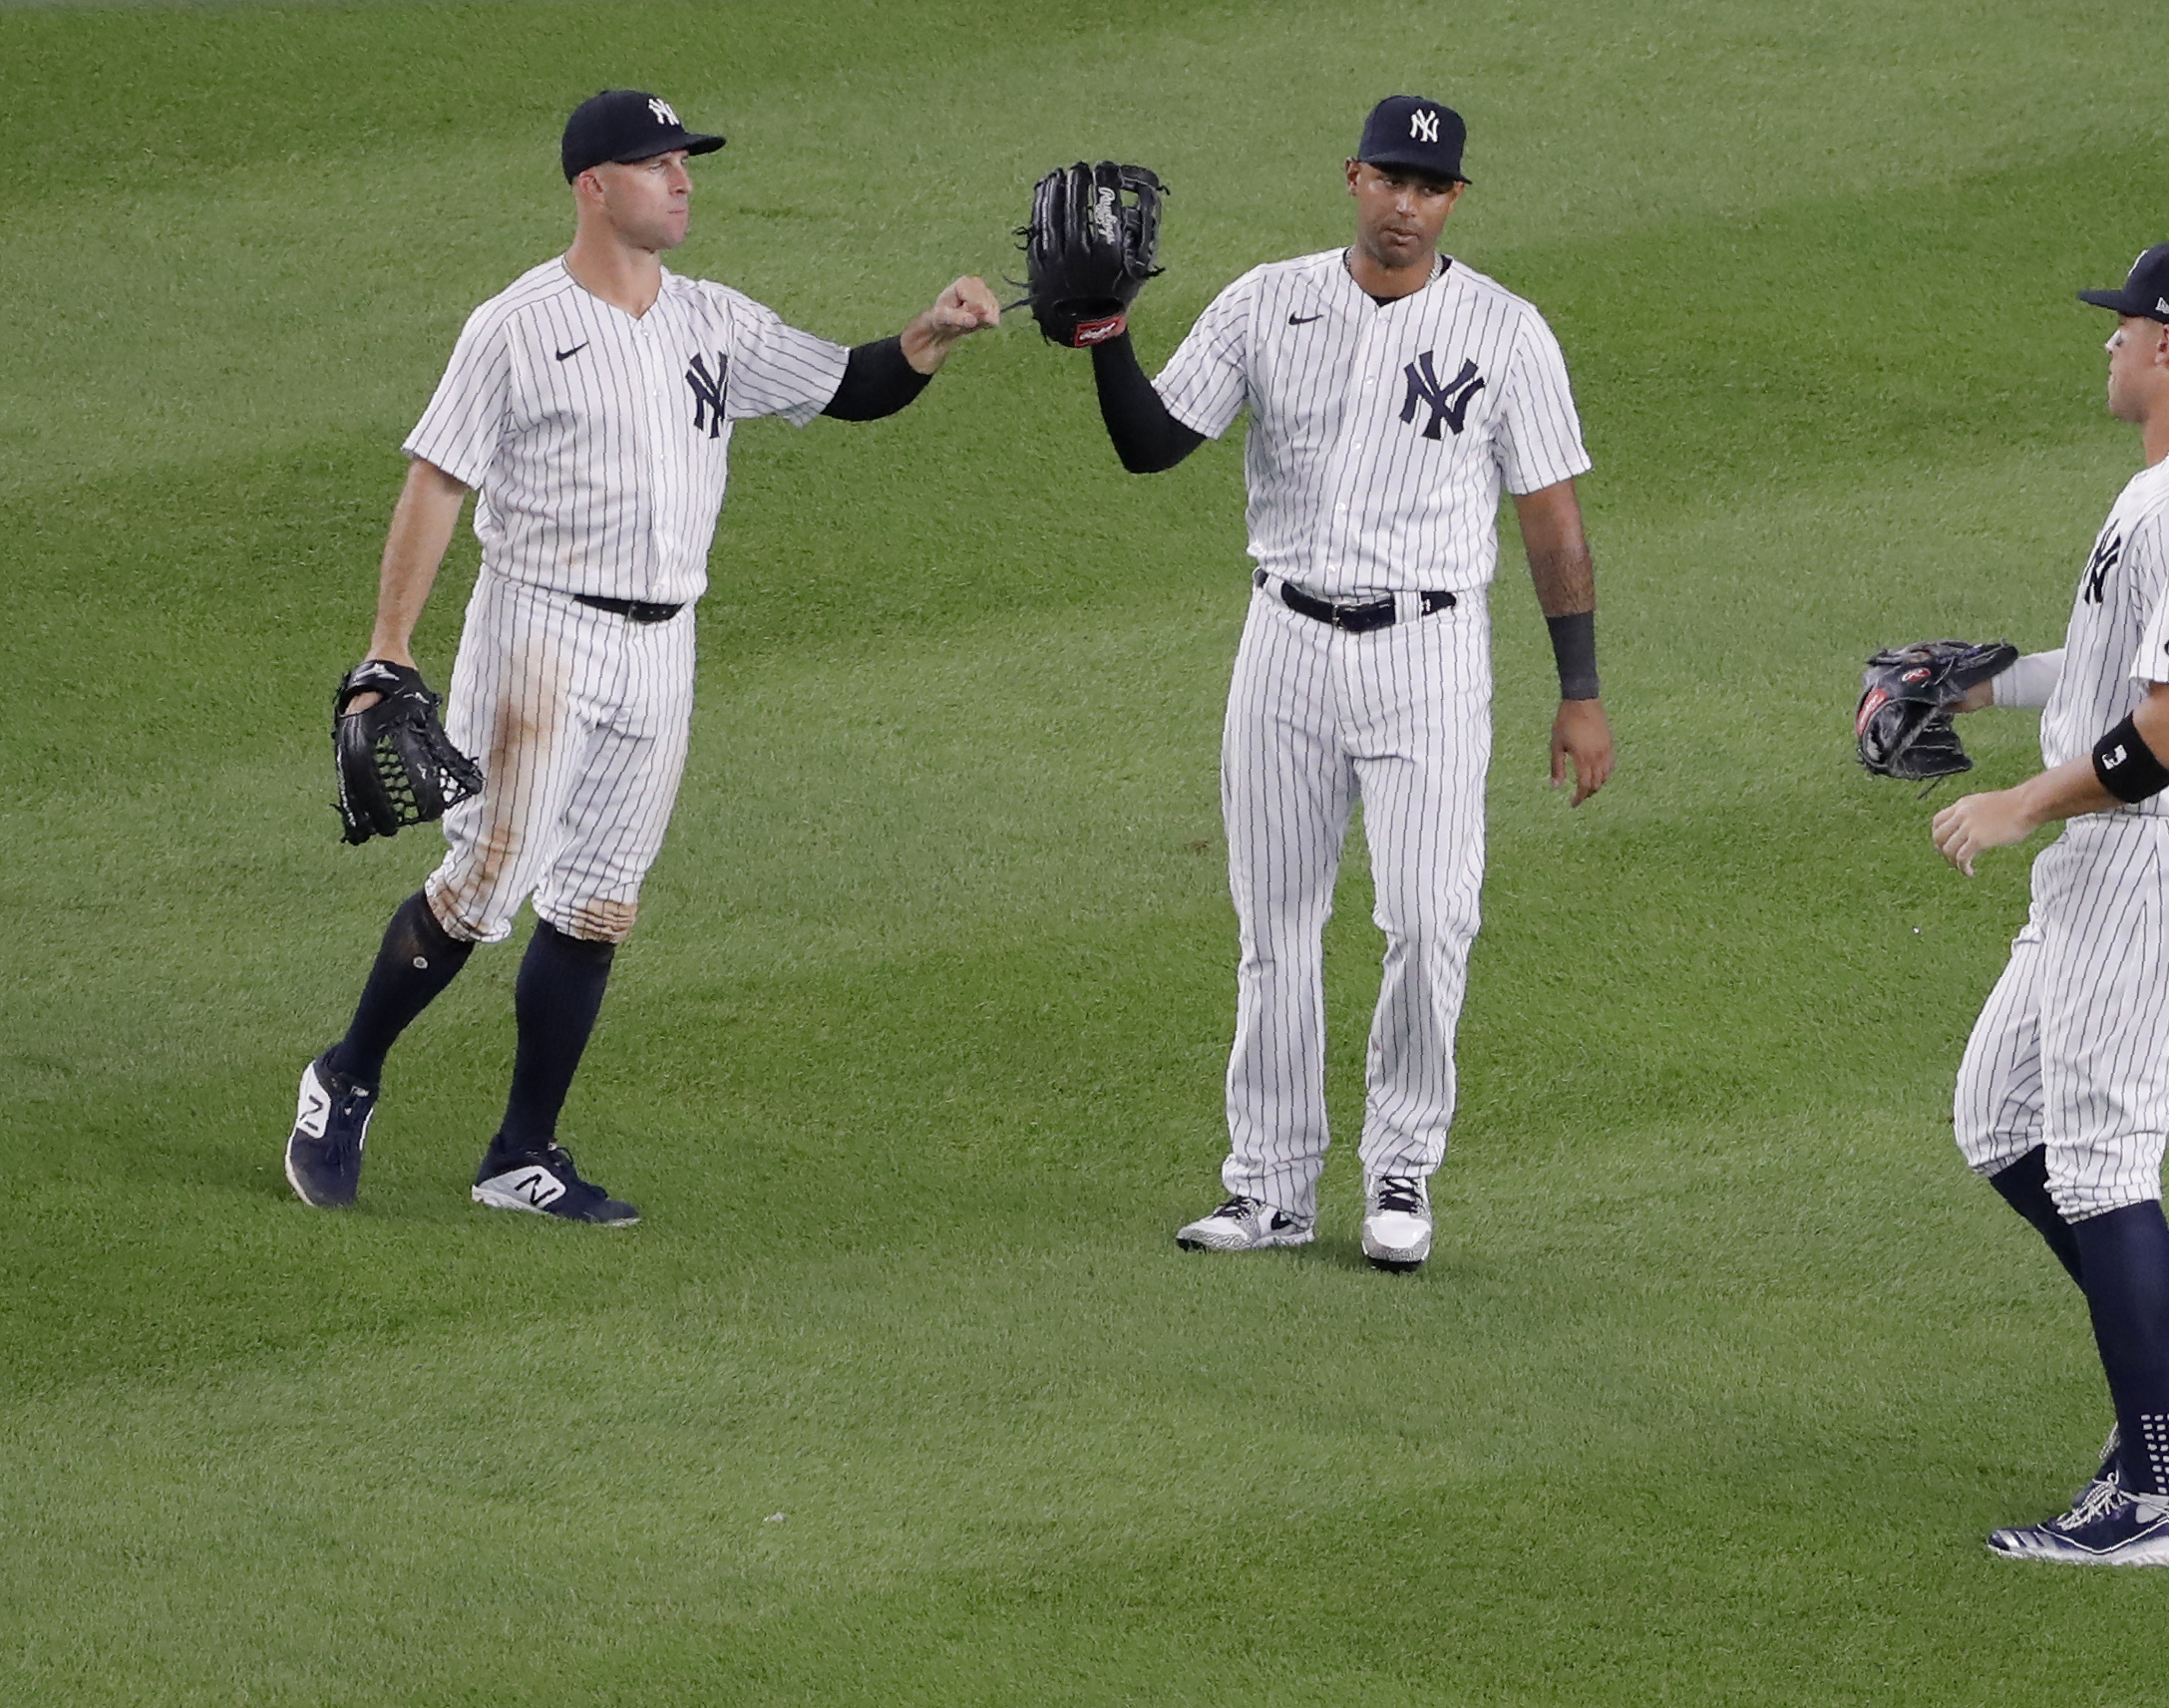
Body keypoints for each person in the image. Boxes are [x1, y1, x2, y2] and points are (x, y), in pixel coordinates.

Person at [285, 89, 999, 1222]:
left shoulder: (712, 319)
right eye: (660, 162)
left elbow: (851, 386)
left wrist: (933, 335)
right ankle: (347, 1075)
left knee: (600, 904)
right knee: (480, 887)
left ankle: (522, 1153)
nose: (684, 180)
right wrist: (389, 646)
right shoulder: (516, 326)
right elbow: (436, 478)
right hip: (541, 631)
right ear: (593, 186)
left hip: (665, 645)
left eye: (686, 162)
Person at [1076, 96, 1616, 1271]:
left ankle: (1401, 1170)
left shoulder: (1506, 331)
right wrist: (1107, 335)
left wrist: (1578, 689)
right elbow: (1152, 444)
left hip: (1427, 651)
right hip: (1283, 644)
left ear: (1454, 200)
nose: (1406, 204)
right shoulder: (1266, 302)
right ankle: (1267, 1186)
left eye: (1430, 187)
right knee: (1273, 927)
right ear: (1352, 179)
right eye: (1389, 179)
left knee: (1431, 917)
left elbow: (1552, 523)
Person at [1931, 242, 2169, 1564]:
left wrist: (2014, 804)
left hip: (2151, 855)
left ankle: (2157, 1493)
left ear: (2165, 344)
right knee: (1997, 1114)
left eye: (2119, 326)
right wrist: (1990, 691)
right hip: (2124, 852)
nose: (2104, 345)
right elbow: (2117, 675)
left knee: (2100, 1165)